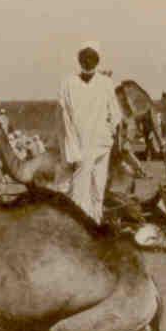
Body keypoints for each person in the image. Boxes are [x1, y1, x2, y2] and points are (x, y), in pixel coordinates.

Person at [59, 41, 122, 224]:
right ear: (80, 61)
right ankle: (81, 226)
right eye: (84, 58)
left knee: (98, 187)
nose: (87, 61)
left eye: (91, 58)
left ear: (96, 60)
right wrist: (71, 147)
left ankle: (96, 223)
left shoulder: (105, 83)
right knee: (80, 189)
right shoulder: (68, 83)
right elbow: (63, 118)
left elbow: (115, 114)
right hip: (80, 144)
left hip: (102, 143)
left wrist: (110, 134)